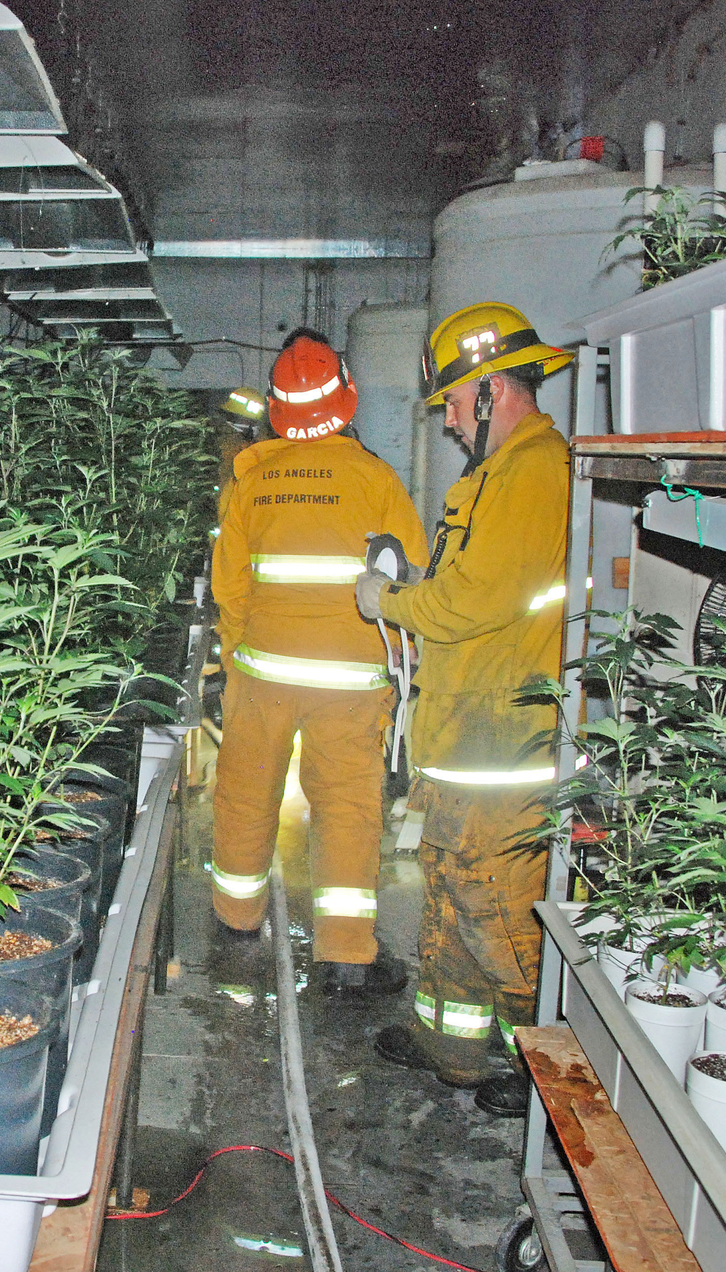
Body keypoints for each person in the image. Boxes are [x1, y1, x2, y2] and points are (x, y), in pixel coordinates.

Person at [353, 302, 572, 1116]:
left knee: (500, 910)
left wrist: (392, 598)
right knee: (450, 895)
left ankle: (545, 1063)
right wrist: (412, 581)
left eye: (451, 401)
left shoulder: (536, 469)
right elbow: (471, 588)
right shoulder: (494, 476)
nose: (446, 420)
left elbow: (472, 600)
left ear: (489, 391)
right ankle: (452, 1045)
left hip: (504, 746)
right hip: (466, 739)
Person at [210, 330, 426, 996]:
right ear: (346, 399)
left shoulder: (249, 479)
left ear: (277, 409)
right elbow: (411, 581)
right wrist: (404, 670)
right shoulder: (377, 479)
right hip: (349, 687)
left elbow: (231, 589)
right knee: (349, 811)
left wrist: (234, 669)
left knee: (246, 794)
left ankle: (236, 917)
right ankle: (344, 952)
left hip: (263, 675)